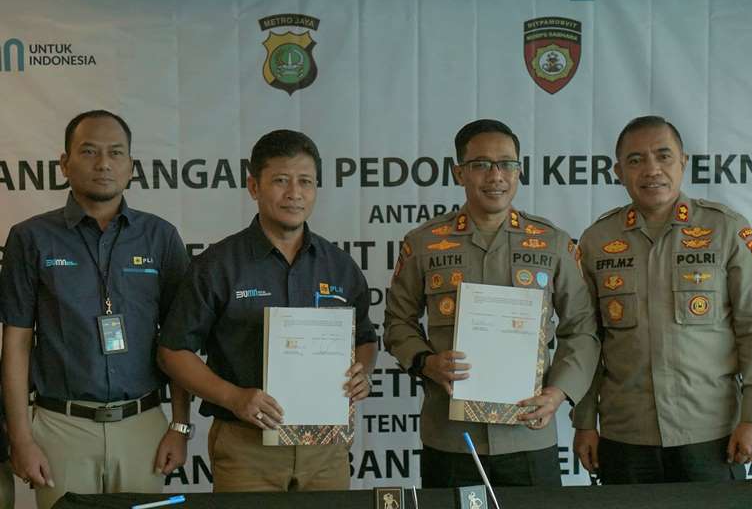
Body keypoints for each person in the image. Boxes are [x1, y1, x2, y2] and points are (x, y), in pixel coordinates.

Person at [157, 129, 378, 492]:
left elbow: (366, 338)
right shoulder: (218, 265)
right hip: (247, 447)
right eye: (280, 180)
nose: (294, 193)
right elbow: (173, 351)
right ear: (253, 187)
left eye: (305, 181)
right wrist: (234, 397)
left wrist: (362, 372)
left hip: (326, 449)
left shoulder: (339, 266)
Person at [384, 118, 600, 487]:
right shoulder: (424, 243)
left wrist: (558, 393)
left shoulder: (552, 242)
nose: (495, 175)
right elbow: (397, 322)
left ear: (519, 171)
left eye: (506, 164)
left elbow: (582, 327)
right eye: (481, 164)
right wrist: (427, 362)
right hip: (452, 437)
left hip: (529, 433)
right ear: (459, 173)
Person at [0, 110, 191, 509]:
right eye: (89, 151)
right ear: (64, 163)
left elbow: (178, 344)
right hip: (60, 428)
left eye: (115, 153)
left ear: (131, 166)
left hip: (143, 428)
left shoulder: (160, 237)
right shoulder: (31, 238)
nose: (103, 163)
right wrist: (21, 438)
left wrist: (180, 426)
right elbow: (16, 343)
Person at [572, 115, 752, 484]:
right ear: (618, 171)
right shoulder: (597, 240)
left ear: (683, 162)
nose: (652, 170)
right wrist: (584, 423)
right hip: (625, 434)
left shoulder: (725, 229)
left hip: (712, 433)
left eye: (663, 156)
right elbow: (586, 339)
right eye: (636, 160)